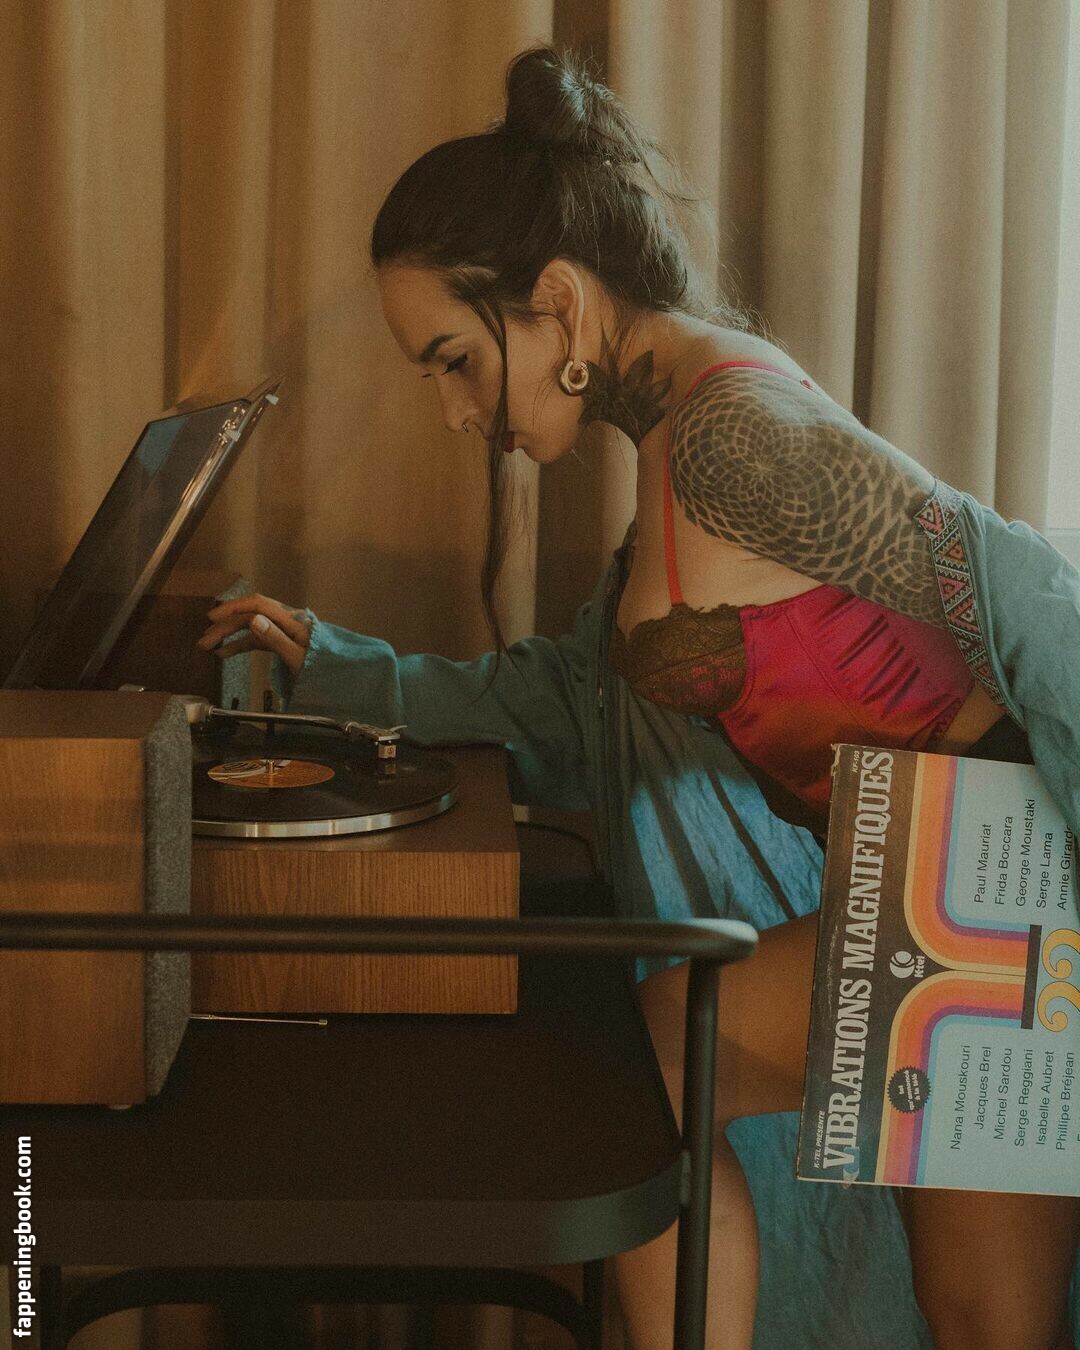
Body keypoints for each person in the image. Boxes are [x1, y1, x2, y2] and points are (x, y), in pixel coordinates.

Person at [197, 45, 1080, 1350]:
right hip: (948, 889)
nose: (453, 413)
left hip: (992, 885)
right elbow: (582, 696)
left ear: (557, 301)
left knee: (653, 1076)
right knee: (976, 1316)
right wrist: (341, 669)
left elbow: (1022, 593)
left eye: (455, 359)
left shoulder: (731, 436)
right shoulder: (680, 435)